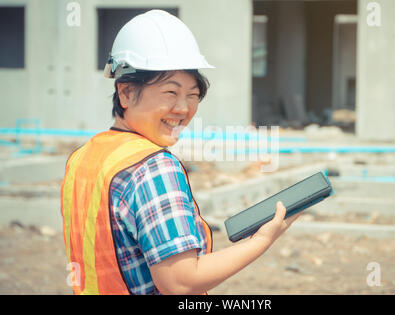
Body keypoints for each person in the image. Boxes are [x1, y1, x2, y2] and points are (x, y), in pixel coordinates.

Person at [61, 9, 303, 295]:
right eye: (170, 93)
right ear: (125, 93)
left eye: (192, 95)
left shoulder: (83, 157)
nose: (184, 109)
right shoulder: (153, 167)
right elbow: (180, 281)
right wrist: (261, 240)